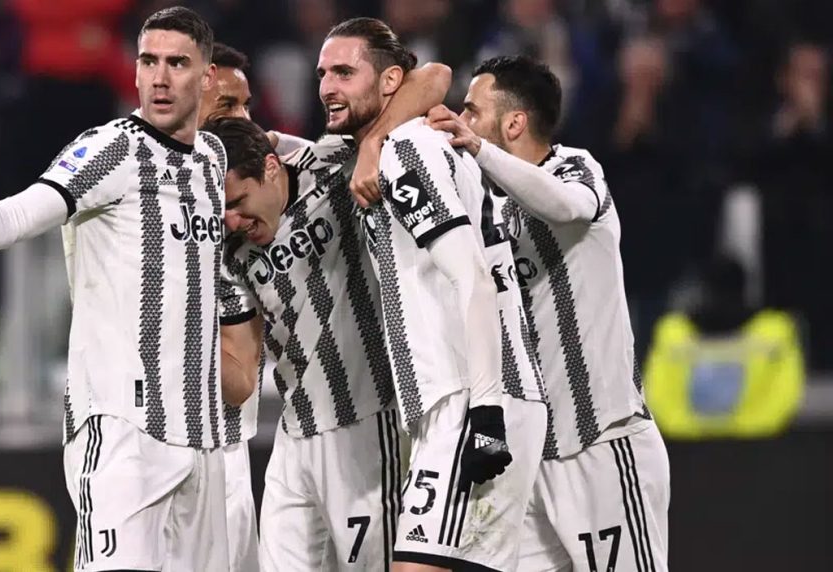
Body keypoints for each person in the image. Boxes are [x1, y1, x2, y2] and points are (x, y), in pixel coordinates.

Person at [0, 8, 236, 571]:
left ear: (206, 77)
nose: (159, 77)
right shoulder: (110, 149)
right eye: (148, 61)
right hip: (122, 431)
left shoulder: (212, 161)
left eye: (177, 63)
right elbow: (22, 214)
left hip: (203, 437)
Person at [320, 18, 548, 572]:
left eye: (345, 72)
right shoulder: (398, 145)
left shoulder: (408, 151)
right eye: (323, 72)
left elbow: (472, 276)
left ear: (392, 80)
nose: (327, 86)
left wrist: (486, 411)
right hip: (462, 397)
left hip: (469, 397)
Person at [207, 57, 452, 571]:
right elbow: (242, 373)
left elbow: (433, 78)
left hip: (368, 423)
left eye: (241, 200)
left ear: (270, 170)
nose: (234, 218)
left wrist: (372, 144)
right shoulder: (230, 247)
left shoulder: (328, 166)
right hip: (293, 440)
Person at [426, 55, 670, 571]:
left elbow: (565, 206)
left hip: (601, 444)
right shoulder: (484, 204)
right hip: (531, 456)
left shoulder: (575, 169)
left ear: (514, 123)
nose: (462, 122)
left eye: (473, 111)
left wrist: (479, 151)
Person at [196, 41, 260, 572]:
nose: (241, 120)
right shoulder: (135, 189)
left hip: (229, 450)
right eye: (225, 107)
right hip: (154, 447)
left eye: (245, 105)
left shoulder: (264, 169)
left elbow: (429, 80)